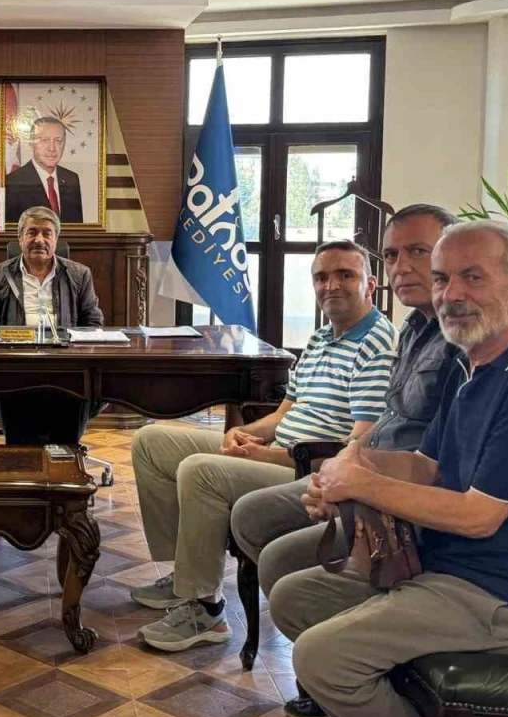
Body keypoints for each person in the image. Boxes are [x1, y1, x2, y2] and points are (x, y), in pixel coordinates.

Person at [273, 219, 508, 717]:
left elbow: (478, 516)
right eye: (441, 279)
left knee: (323, 658)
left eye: (472, 277)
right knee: (295, 597)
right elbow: (426, 466)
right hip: (455, 572)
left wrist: (363, 484)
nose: (451, 294)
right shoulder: (471, 361)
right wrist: (345, 468)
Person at [229, 205, 459, 717]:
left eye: (419, 252)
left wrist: (351, 479)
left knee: (260, 529)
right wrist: (343, 472)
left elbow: (447, 476)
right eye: (393, 253)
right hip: (372, 486)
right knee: (276, 554)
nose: (403, 266)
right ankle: (342, 692)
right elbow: (386, 429)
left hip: (411, 521)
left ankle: (356, 692)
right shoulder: (417, 331)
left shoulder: (468, 349)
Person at [131, 239, 396, 652]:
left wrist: (266, 455)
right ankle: (183, 574)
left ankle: (205, 611)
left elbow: (356, 448)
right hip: (280, 452)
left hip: (311, 471)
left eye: (345, 275)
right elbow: (284, 413)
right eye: (322, 277)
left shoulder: (377, 345)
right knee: (151, 441)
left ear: (371, 284)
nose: (331, 285)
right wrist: (245, 434)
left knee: (201, 471)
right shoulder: (320, 338)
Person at [0, 206, 103, 443]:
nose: (39, 240)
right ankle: (22, 457)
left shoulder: (79, 274)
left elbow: (93, 323)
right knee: (17, 415)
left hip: (66, 367)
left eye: (47, 233)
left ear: (56, 239)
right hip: (16, 366)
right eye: (32, 232)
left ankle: (66, 457)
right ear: (20, 238)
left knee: (76, 400)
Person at [4, 116, 84, 224]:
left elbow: (76, 227)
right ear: (31, 143)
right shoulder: (12, 182)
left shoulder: (71, 179)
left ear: (64, 143)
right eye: (45, 140)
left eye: (58, 141)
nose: (52, 148)